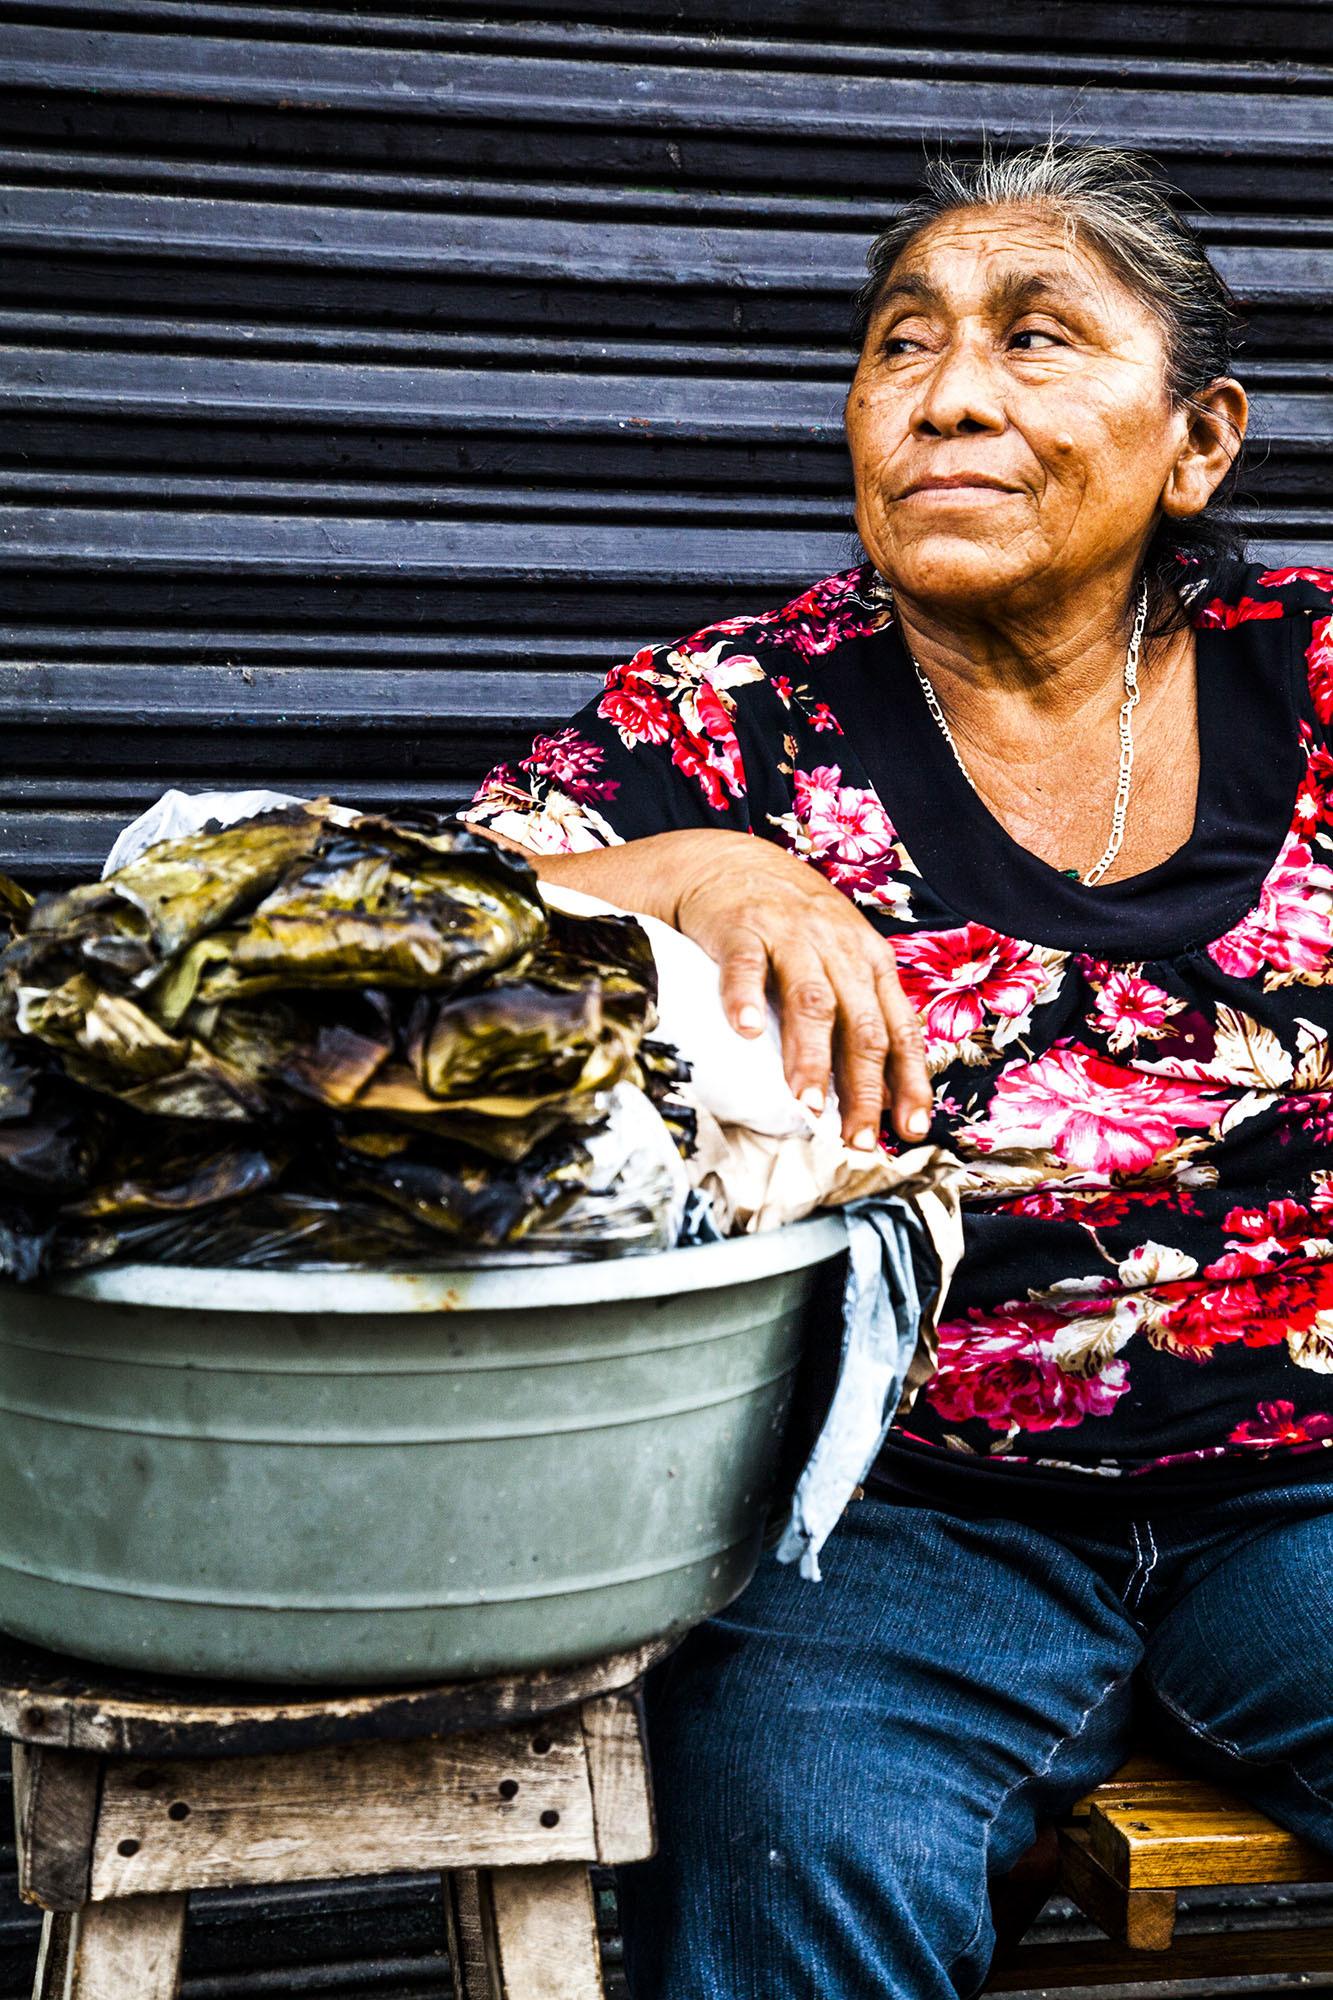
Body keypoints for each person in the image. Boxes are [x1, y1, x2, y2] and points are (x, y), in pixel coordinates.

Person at [466, 143, 1333, 1999]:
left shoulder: (1315, 673)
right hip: (899, 1505)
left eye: (1036, 339)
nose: (946, 392)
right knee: (798, 1864)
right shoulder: (737, 715)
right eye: (898, 346)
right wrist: (703, 867)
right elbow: (412, 918)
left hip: (1312, 1489)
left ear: (1197, 443)